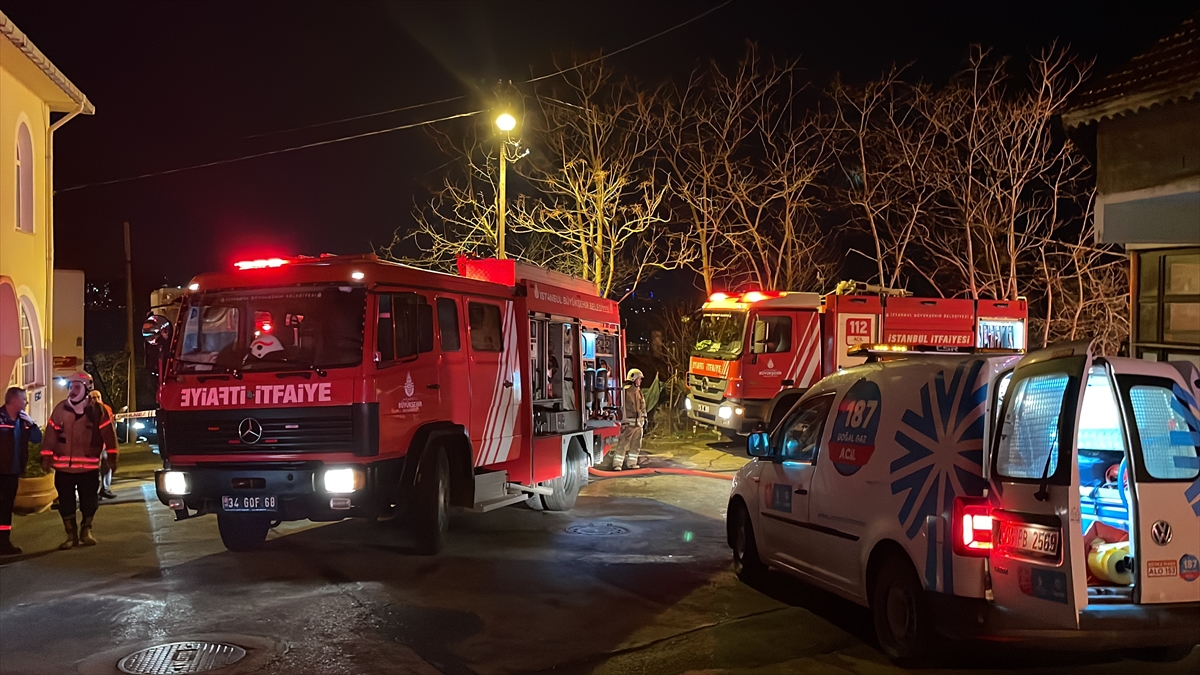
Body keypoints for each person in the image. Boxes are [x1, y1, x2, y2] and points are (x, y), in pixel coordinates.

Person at [41, 372, 118, 549]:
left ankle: (86, 529)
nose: (72, 391)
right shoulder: (60, 410)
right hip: (63, 470)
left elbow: (109, 436)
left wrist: (112, 457)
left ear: (86, 388)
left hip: (88, 469)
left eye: (76, 387)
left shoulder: (98, 411)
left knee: (89, 502)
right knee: (66, 504)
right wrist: (46, 456)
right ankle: (71, 535)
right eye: (70, 387)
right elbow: (51, 436)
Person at [0, 387, 41, 556]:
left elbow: (37, 438)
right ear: (14, 400)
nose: (26, 402)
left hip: (13, 472)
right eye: (24, 399)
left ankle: (3, 542)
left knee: (6, 507)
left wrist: (32, 423)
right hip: (1, 471)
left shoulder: (24, 421)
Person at [607, 368, 647, 470]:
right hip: (628, 424)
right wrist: (622, 422)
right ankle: (617, 464)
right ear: (633, 379)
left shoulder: (639, 392)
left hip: (638, 424)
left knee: (636, 445)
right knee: (623, 444)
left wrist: (644, 418)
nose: (640, 381)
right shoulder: (625, 392)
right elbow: (622, 408)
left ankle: (632, 463)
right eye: (639, 379)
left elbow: (643, 407)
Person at [90, 390, 117, 500]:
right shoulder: (87, 411)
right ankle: (95, 491)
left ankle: (105, 489)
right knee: (95, 469)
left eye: (98, 397)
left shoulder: (107, 409)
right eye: (93, 397)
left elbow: (111, 425)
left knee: (107, 467)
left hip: (105, 444)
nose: (96, 399)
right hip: (94, 444)